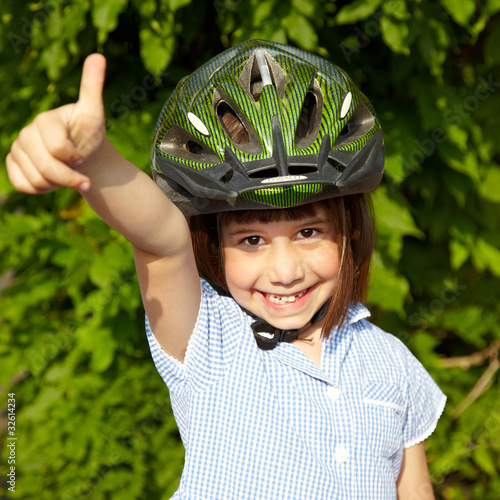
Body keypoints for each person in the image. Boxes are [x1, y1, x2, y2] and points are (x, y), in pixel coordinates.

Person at [6, 40, 446, 499]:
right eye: (251, 241)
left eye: (309, 233)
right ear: (216, 248)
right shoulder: (210, 337)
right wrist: (96, 164)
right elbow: (160, 239)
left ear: (348, 233)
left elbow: (414, 489)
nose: (285, 271)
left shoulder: (390, 359)